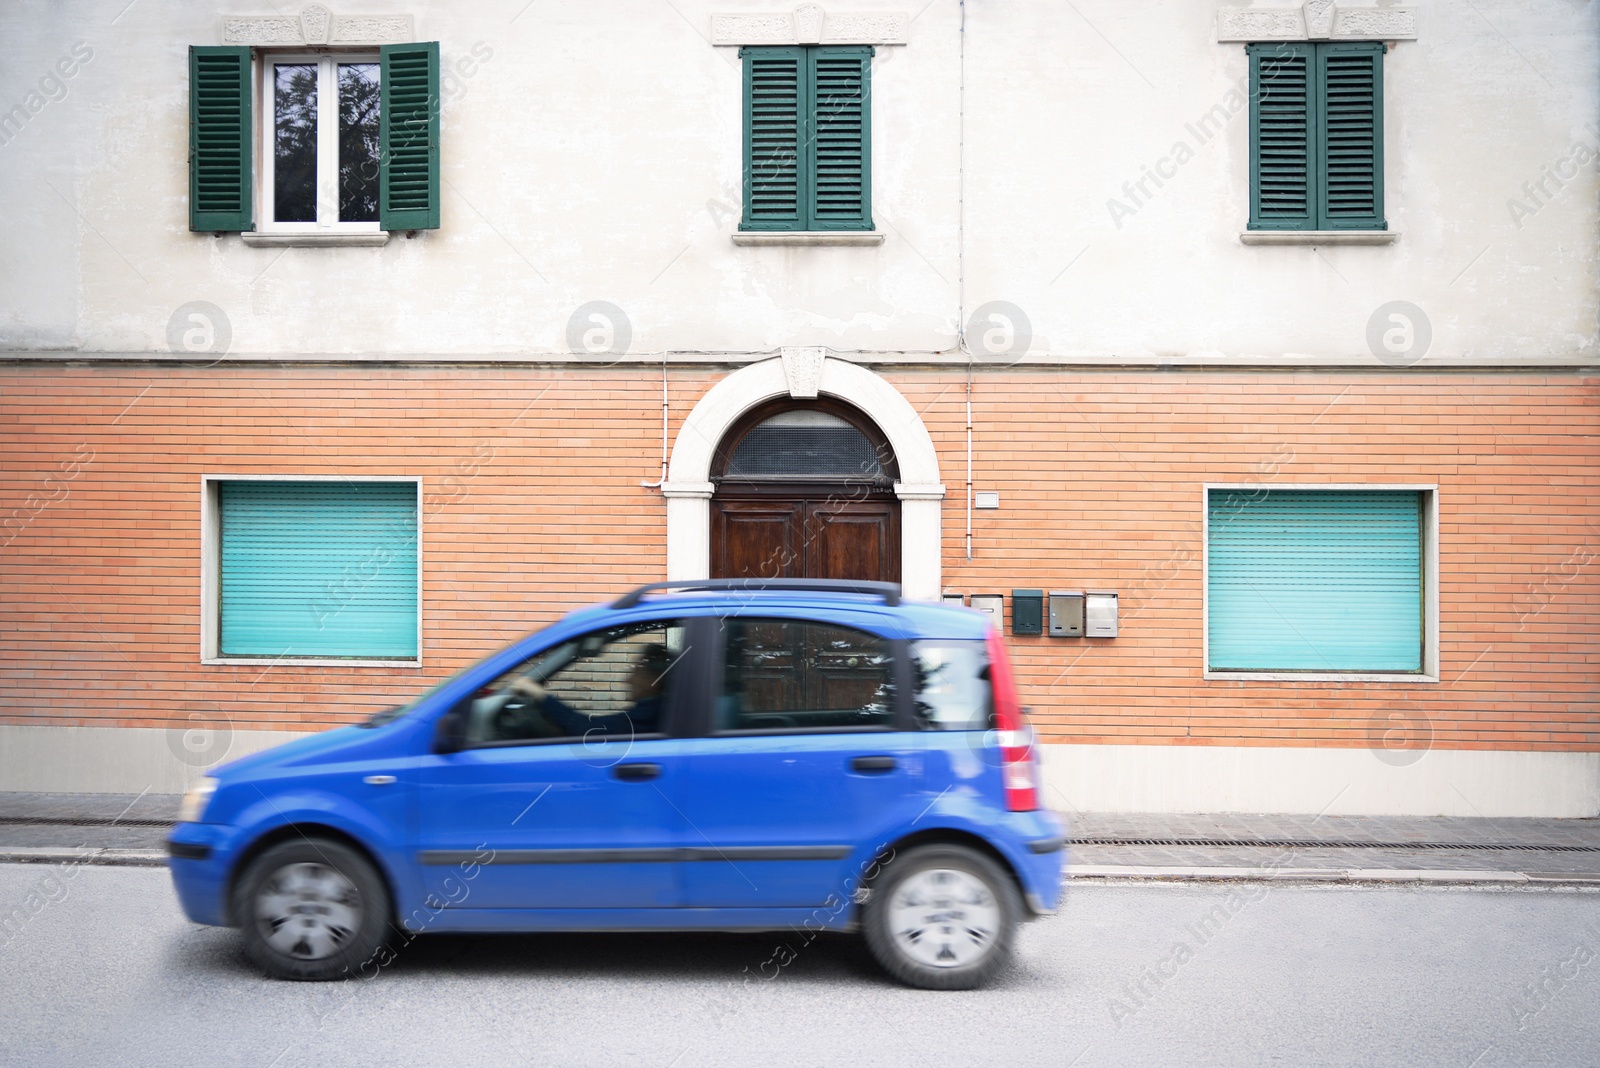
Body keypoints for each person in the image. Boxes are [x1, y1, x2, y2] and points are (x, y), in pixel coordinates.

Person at [507, 642, 673, 738]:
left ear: (655, 680)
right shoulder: (662, 708)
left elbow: (589, 730)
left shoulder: (651, 713)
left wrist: (539, 694)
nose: (627, 680)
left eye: (636, 672)